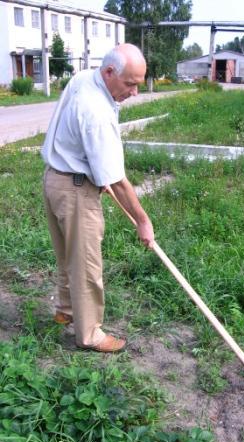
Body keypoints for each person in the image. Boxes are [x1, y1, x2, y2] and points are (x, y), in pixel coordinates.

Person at [42, 43, 154, 352]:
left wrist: (94, 170)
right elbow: (117, 181)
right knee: (87, 263)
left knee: (67, 254)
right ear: (108, 72)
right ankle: (89, 334)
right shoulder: (97, 112)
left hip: (55, 179)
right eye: (130, 84)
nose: (134, 92)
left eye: (138, 83)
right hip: (75, 191)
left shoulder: (84, 78)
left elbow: (73, 130)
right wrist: (142, 221)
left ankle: (66, 310)